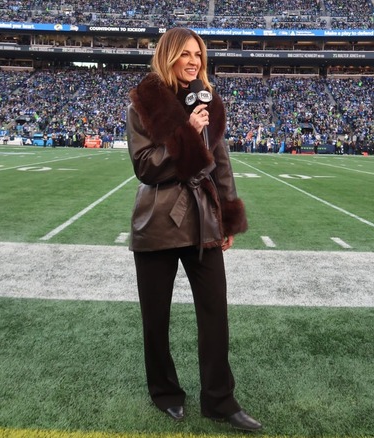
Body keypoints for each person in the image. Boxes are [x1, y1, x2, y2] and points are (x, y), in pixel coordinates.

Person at [126, 27, 262, 432]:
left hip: (202, 218)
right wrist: (186, 131)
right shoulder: (142, 103)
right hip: (157, 221)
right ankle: (165, 392)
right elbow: (146, 167)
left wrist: (229, 217)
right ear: (168, 56)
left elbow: (220, 163)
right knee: (156, 318)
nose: (193, 62)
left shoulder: (209, 100)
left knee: (215, 314)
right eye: (185, 54)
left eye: (198, 55)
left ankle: (219, 400)